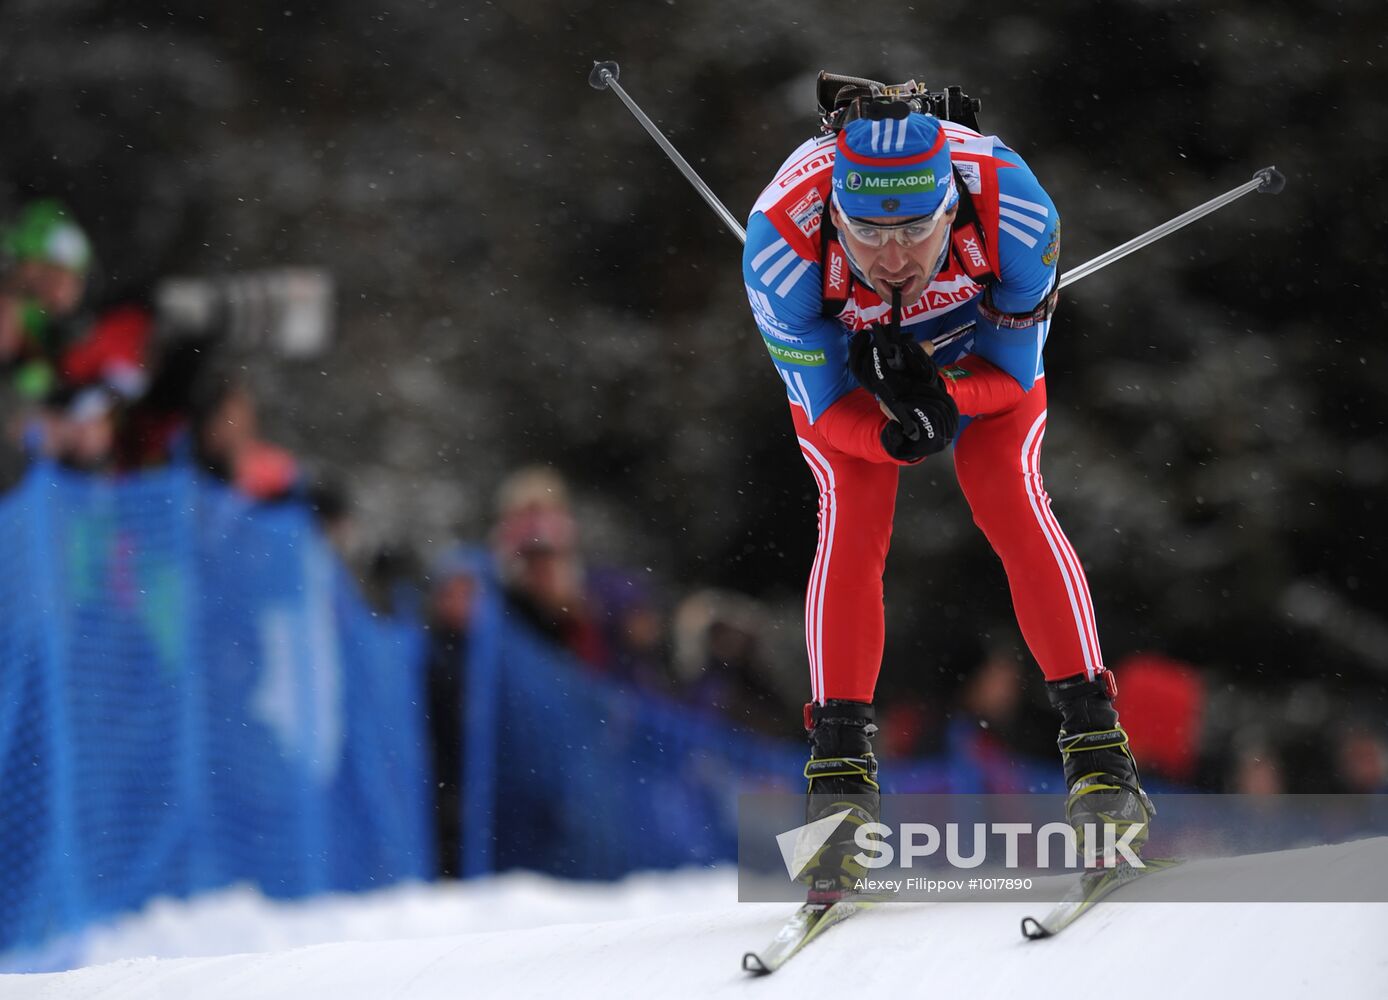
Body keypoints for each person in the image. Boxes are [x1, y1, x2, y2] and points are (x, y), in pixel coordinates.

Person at [741, 79, 1152, 896]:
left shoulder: (1016, 211)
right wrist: (896, 425)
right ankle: (840, 790)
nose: (893, 257)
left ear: (951, 206)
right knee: (851, 524)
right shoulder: (780, 245)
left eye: (916, 231)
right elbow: (826, 417)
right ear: (834, 213)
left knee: (1010, 498)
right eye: (866, 233)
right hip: (854, 376)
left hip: (975, 353)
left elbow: (1013, 374)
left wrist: (942, 399)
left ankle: (1101, 762)